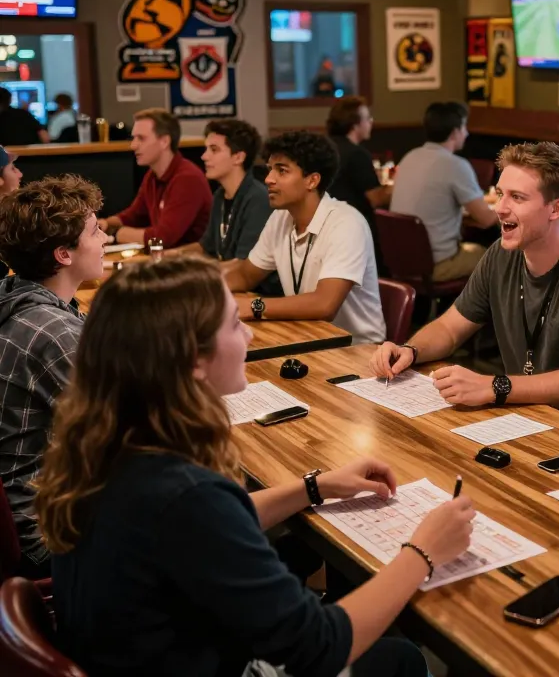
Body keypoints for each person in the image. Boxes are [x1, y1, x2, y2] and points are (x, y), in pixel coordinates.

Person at [35, 256, 475, 676]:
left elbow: (211, 524)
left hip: (140, 655)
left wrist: (314, 487)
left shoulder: (111, 443)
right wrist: (423, 552)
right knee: (398, 659)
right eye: (233, 324)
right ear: (193, 359)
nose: (247, 336)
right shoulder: (184, 494)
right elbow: (319, 647)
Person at [371, 141, 559, 437]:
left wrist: (493, 386)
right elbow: (449, 329)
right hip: (527, 417)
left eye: (517, 197)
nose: (499, 208)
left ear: (556, 208)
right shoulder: (501, 254)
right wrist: (410, 350)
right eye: (500, 193)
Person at [0, 175, 107, 579]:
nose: (105, 237)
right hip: (47, 536)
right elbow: (124, 435)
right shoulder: (54, 332)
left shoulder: (14, 295)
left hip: (27, 512)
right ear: (64, 254)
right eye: (96, 231)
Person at [224, 131, 386, 344]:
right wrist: (203, 292)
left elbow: (324, 305)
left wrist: (254, 306)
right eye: (270, 169)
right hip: (309, 339)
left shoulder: (346, 223)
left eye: (282, 171)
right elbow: (246, 275)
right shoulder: (280, 217)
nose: (268, 179)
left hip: (358, 350)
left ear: (312, 180)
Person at [390, 101, 497, 282]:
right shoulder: (455, 165)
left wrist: (490, 199)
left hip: (401, 261)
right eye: (464, 127)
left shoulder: (410, 157)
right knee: (496, 257)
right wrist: (510, 206)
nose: (467, 133)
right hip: (436, 264)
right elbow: (486, 220)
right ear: (455, 132)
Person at [173, 119, 280, 297]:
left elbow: (242, 263)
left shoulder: (258, 199)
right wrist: (165, 257)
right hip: (229, 287)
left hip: (256, 296)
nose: (204, 156)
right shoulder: (220, 196)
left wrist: (188, 274)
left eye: (214, 150)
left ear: (238, 157)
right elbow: (205, 248)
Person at [98, 108, 212, 248]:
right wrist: (107, 224)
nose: (133, 145)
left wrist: (119, 234)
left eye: (141, 138)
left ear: (164, 141)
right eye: (133, 138)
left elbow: (163, 238)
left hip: (192, 265)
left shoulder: (188, 179)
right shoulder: (152, 176)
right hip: (169, 261)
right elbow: (134, 216)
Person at [326, 96, 389, 272]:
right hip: (355, 233)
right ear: (355, 124)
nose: (371, 122)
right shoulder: (357, 154)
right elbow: (376, 199)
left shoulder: (327, 147)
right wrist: (396, 186)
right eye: (367, 118)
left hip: (328, 228)